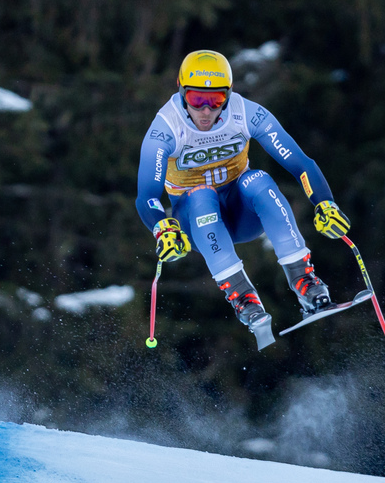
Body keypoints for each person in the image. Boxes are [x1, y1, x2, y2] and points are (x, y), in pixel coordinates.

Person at [135, 50, 351, 345]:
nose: (206, 111)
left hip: (241, 215)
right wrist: (163, 228)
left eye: (216, 100)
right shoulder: (166, 128)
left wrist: (324, 203)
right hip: (196, 221)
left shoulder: (246, 113)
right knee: (201, 195)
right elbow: (147, 195)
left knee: (258, 179)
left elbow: (300, 162)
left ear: (230, 94)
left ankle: (305, 281)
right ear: (181, 91)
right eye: (197, 99)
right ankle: (242, 296)